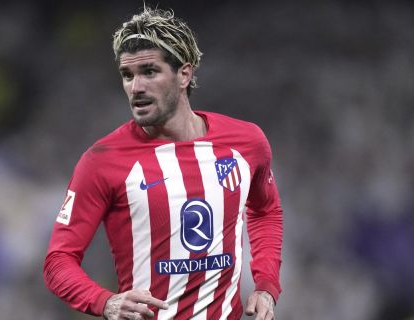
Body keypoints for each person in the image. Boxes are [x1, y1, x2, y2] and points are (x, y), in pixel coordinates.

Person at [44, 6, 283, 320]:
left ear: (184, 74)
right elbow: (58, 260)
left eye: (149, 71)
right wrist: (106, 302)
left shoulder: (247, 143)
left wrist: (266, 283)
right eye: (127, 75)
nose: (136, 87)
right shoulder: (101, 162)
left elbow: (265, 209)